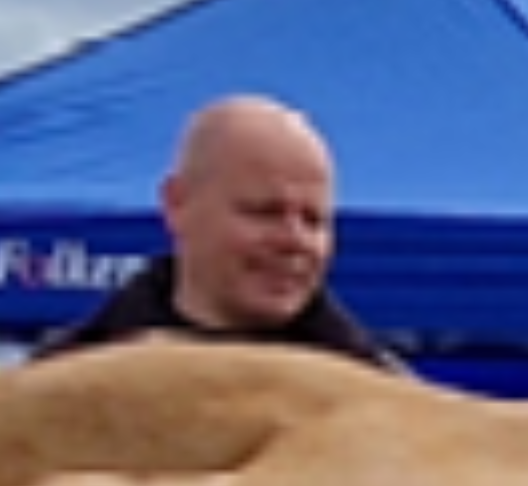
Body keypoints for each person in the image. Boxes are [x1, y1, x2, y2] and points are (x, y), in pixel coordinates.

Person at [52, 96, 392, 364]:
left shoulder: (386, 406)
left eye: (314, 220)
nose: (294, 240)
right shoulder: (59, 388)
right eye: (265, 212)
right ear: (177, 204)